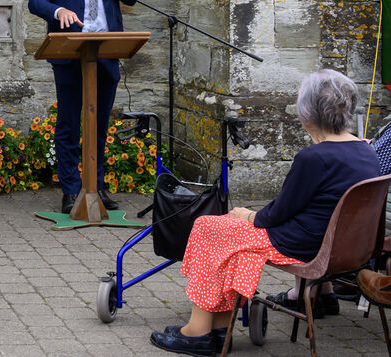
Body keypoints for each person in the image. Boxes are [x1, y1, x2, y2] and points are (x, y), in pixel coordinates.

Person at [150, 70, 380, 356]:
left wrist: (247, 215)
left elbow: (276, 214)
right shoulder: (366, 151)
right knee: (234, 245)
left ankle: (198, 331)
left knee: (208, 228)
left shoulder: (314, 158)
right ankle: (219, 331)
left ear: (308, 114)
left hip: (302, 244)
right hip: (347, 249)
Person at [27, 0, 136, 214]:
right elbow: (36, 0)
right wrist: (57, 9)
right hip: (70, 52)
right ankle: (71, 191)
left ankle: (96, 187)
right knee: (69, 124)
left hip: (107, 50)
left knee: (100, 124)